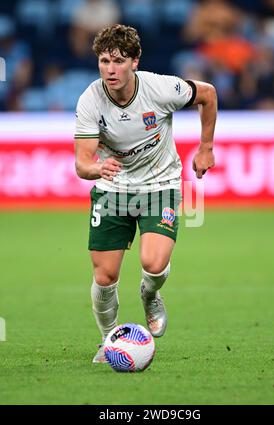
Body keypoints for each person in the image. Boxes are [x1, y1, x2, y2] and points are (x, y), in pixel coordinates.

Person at [74, 24, 217, 363]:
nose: (110, 69)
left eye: (119, 61)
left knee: (154, 264)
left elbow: (208, 94)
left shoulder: (161, 88)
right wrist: (96, 169)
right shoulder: (90, 99)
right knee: (104, 276)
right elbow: (82, 163)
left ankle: (150, 294)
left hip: (160, 185)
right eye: (104, 61)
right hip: (113, 191)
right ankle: (108, 341)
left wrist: (206, 147)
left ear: (135, 62)